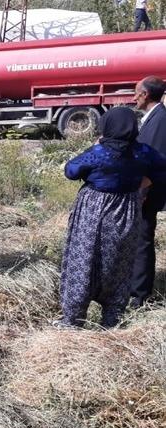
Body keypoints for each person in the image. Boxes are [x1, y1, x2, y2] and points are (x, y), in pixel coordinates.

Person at [61, 107, 166, 328]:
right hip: (127, 208)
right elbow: (162, 169)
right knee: (119, 262)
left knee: (84, 259)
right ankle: (111, 319)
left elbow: (71, 171)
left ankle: (73, 320)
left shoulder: (100, 152)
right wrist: (141, 184)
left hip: (94, 210)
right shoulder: (142, 152)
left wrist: (95, 146)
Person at [130, 76, 166, 307]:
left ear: (145, 94)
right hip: (145, 190)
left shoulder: (161, 119)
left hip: (147, 192)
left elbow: (156, 161)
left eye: (136, 92)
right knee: (139, 238)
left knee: (142, 239)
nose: (134, 97)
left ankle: (139, 295)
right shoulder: (154, 117)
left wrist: (141, 193)